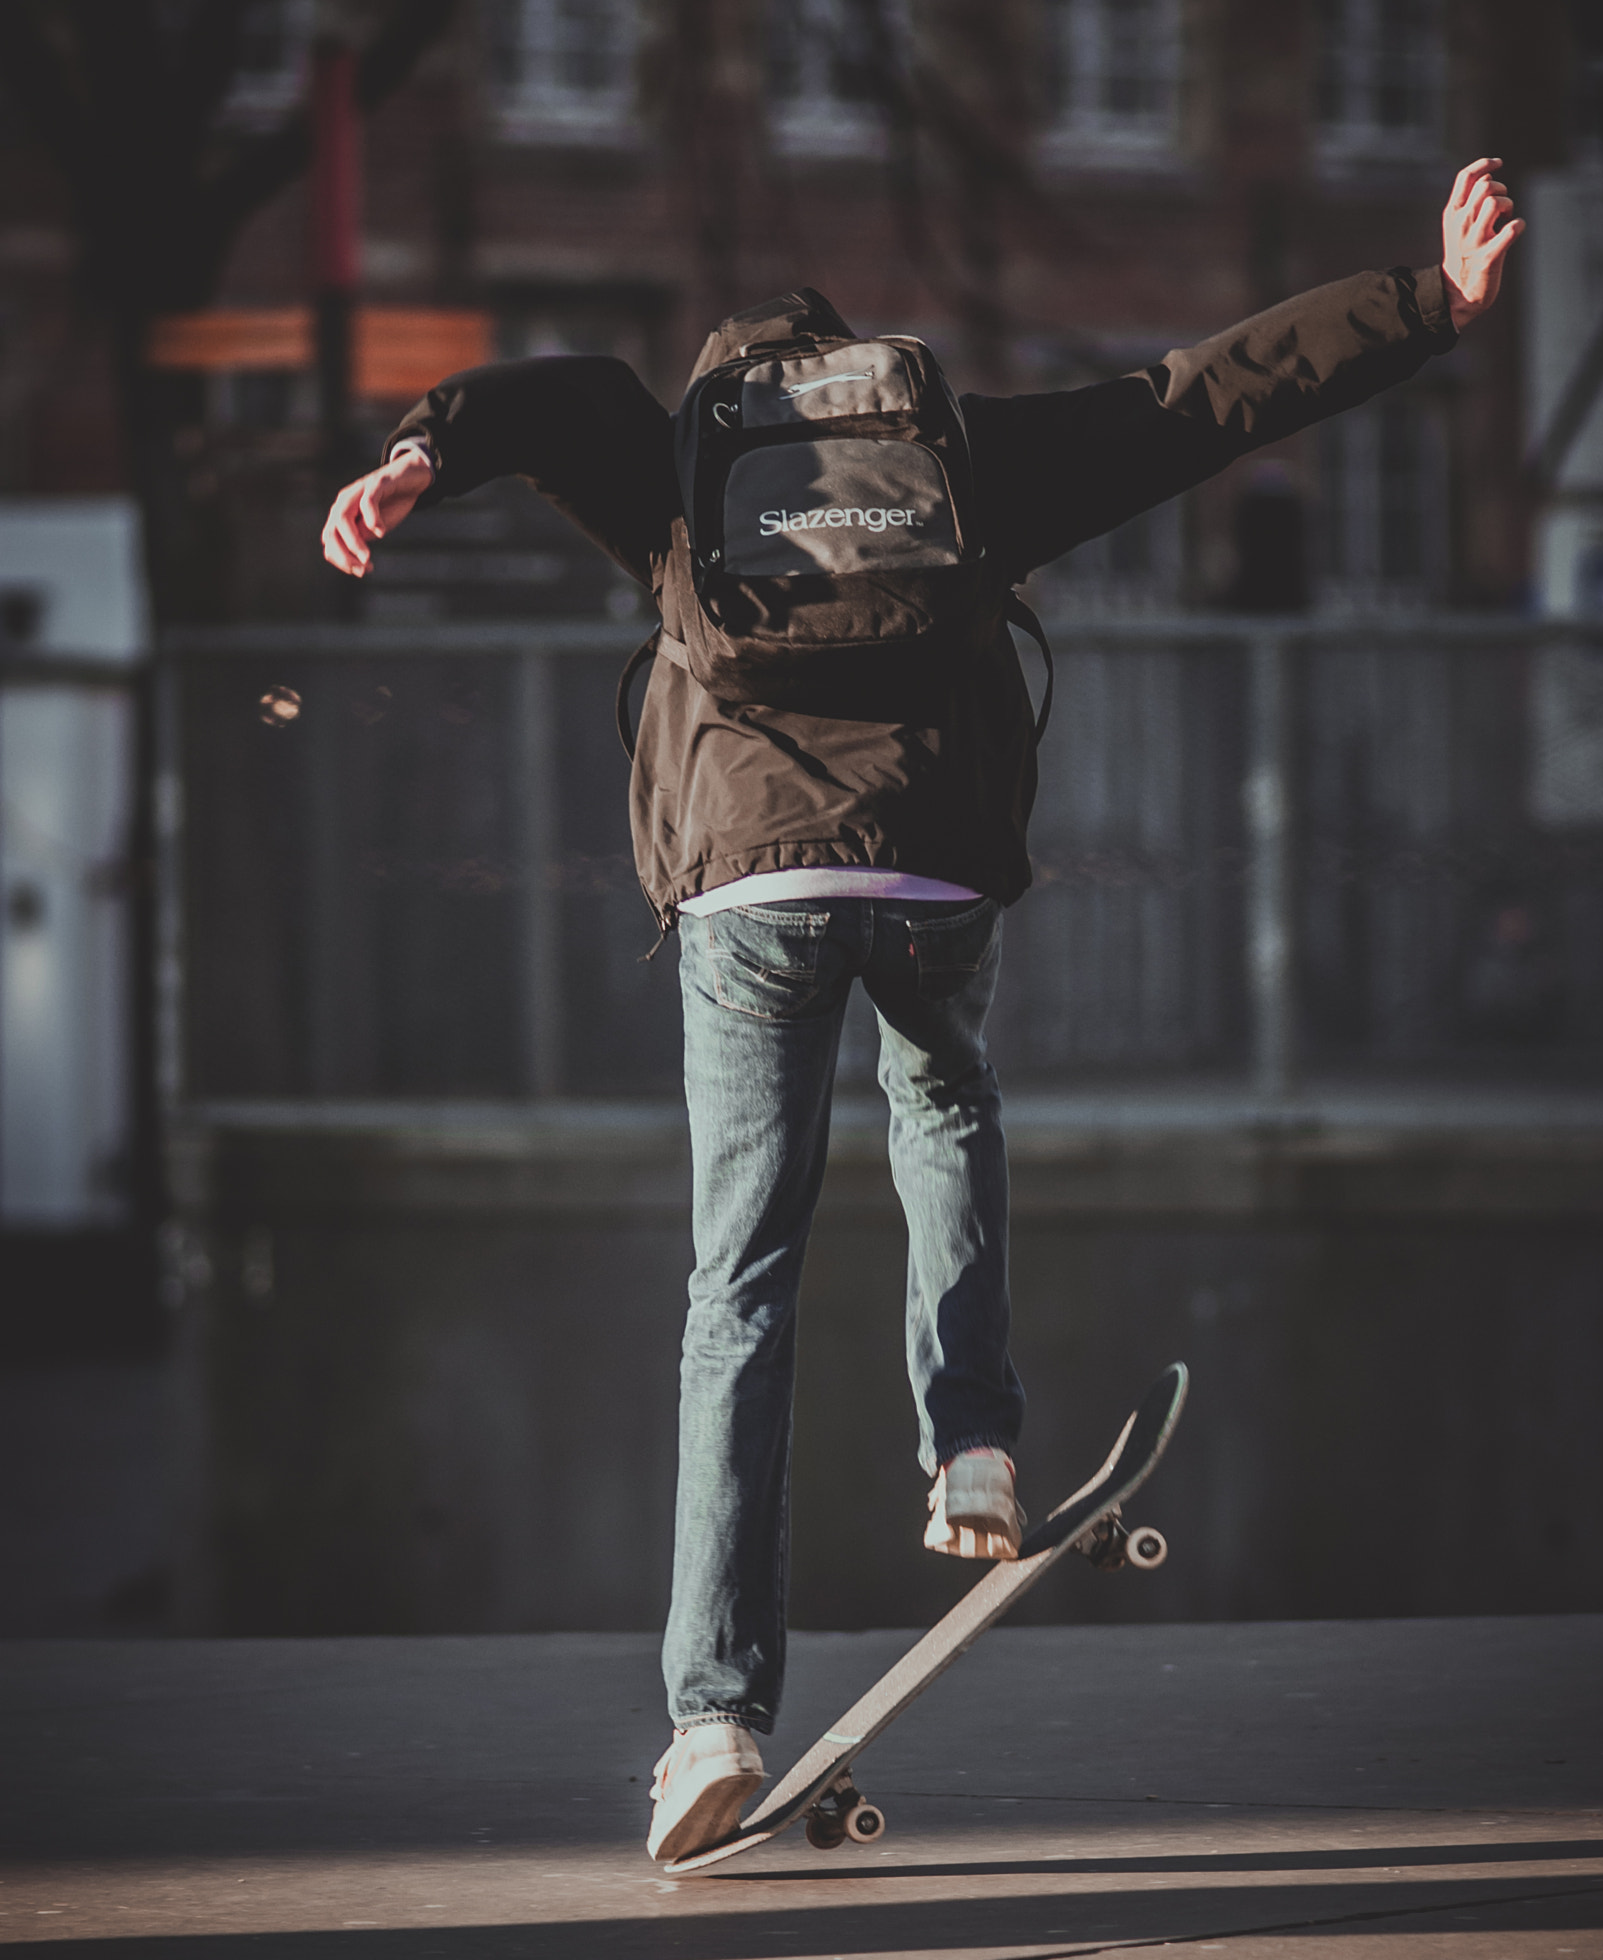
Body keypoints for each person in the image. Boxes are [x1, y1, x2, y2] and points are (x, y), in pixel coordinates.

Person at [323, 158, 1522, 1863]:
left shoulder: (668, 458)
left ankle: (714, 1718)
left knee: (737, 1288)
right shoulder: (960, 460)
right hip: (933, 873)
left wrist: (417, 454)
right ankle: (970, 1442)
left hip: (747, 888)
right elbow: (1196, 400)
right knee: (946, 1103)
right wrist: (1430, 303)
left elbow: (543, 400)